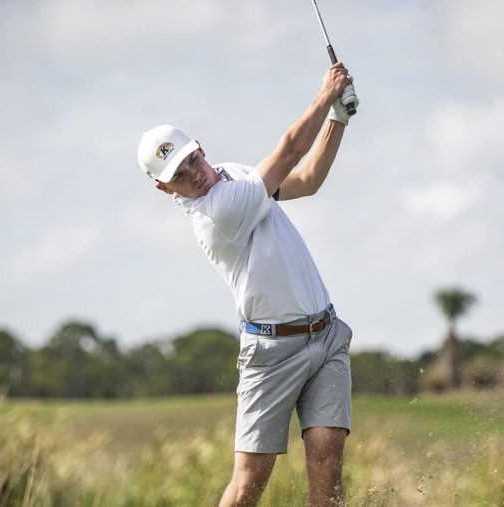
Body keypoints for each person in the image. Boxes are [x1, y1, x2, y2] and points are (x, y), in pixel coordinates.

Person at [137, 62, 359, 506]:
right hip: (271, 354)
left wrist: (338, 117)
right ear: (165, 189)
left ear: (199, 147)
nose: (193, 174)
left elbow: (308, 180)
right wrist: (325, 94)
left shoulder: (234, 174)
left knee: (326, 462)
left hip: (326, 334)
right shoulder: (215, 212)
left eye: (191, 160)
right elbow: (291, 150)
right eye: (179, 175)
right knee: (248, 483)